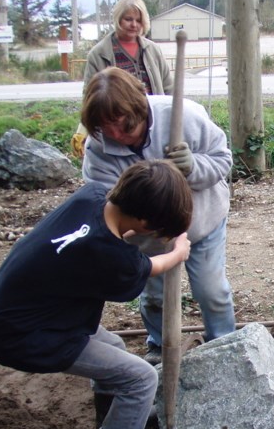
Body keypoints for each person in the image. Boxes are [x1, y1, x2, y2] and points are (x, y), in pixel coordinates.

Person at [0, 160, 193, 429]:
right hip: (30, 336)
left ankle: (111, 424)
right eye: (159, 230)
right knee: (141, 377)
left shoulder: (94, 195)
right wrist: (177, 253)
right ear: (143, 222)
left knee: (112, 345)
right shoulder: (109, 253)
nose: (159, 236)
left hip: (19, 311)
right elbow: (143, 268)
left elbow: (114, 249)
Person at [81, 67, 236, 374]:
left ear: (138, 107)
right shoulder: (97, 147)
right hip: (148, 239)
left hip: (201, 223)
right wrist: (156, 190)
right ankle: (159, 345)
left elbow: (222, 159)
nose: (115, 136)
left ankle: (225, 345)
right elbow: (105, 201)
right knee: (155, 297)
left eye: (124, 126)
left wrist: (193, 166)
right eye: (105, 128)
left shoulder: (183, 116)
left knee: (211, 290)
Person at [71, 0, 174, 158]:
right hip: (119, 125)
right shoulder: (99, 54)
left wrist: (174, 120)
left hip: (154, 124)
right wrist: (83, 129)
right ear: (118, 19)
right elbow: (90, 97)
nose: (134, 24)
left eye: (138, 20)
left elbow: (169, 89)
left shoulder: (153, 50)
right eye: (128, 19)